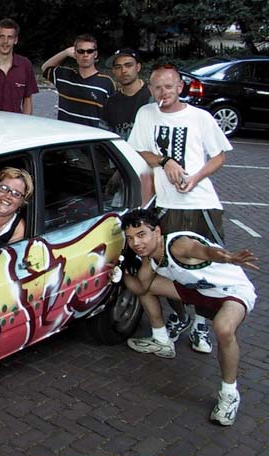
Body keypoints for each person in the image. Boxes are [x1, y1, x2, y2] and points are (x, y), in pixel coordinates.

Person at [128, 64, 233, 352]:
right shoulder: (146, 114)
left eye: (169, 86)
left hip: (201, 204)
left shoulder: (200, 117)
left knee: (204, 266)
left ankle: (201, 325)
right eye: (158, 87)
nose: (164, 92)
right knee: (167, 265)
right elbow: (137, 150)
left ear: (180, 87)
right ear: (150, 89)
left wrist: (196, 177)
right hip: (165, 205)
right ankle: (179, 316)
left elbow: (219, 155)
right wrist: (165, 161)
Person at [120, 209, 257, 426]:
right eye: (130, 238)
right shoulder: (150, 260)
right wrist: (120, 274)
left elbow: (205, 251)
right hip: (199, 292)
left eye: (141, 234)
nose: (136, 242)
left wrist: (229, 257)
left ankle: (229, 394)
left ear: (157, 232)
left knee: (223, 328)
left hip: (231, 291)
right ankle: (162, 341)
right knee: (148, 287)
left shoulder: (178, 244)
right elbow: (140, 287)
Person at [41, 34, 116, 127]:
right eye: (81, 51)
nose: (85, 55)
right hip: (65, 135)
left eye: (90, 51)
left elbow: (113, 114)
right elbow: (45, 68)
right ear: (75, 54)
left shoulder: (106, 83)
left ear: (95, 54)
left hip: (92, 137)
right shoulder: (64, 76)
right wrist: (65, 52)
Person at [101, 48, 151, 139]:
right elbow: (105, 136)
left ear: (138, 67)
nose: (123, 70)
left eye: (128, 65)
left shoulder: (153, 97)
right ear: (113, 71)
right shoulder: (110, 103)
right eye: (118, 67)